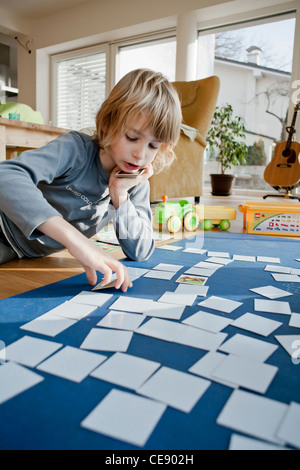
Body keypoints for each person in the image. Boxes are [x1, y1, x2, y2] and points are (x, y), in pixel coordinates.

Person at [0, 68, 182, 292]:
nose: (141, 155)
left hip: (22, 253)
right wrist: (76, 241)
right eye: (132, 138)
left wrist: (120, 196)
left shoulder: (135, 181)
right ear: (107, 124)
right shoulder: (75, 149)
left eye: (154, 145)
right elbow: (6, 176)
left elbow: (141, 251)